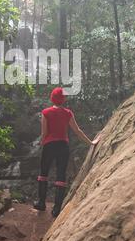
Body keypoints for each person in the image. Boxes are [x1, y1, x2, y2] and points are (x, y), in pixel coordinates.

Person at [34, 87, 101, 218]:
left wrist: (42, 143)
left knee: (43, 173)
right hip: (63, 146)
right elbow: (78, 131)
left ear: (52, 98)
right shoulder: (68, 113)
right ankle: (56, 209)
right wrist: (91, 142)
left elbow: (44, 133)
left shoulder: (46, 112)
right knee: (61, 175)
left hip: (49, 145)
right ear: (63, 99)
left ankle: (41, 203)